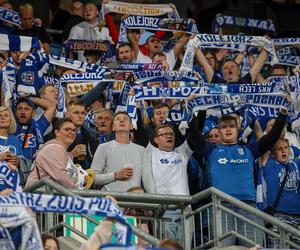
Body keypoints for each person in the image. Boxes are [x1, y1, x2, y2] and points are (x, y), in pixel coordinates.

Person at [188, 105, 288, 246]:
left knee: (254, 248)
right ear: (219, 131)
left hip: (249, 209)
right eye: (224, 127)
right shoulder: (211, 150)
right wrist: (189, 109)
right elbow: (193, 135)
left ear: (238, 130)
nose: (228, 129)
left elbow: (271, 138)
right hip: (221, 209)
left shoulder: (249, 150)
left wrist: (282, 115)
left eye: (231, 126)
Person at [260, 138, 300, 247]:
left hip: (298, 217)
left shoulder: (297, 164)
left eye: (286, 148)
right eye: (279, 149)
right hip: (278, 216)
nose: (283, 151)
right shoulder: (270, 164)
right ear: (272, 153)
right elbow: (262, 140)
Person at [91, 111, 144, 192]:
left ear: (131, 126)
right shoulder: (103, 148)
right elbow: (93, 177)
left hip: (134, 201)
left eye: (125, 119)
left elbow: (146, 179)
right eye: (118, 119)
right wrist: (115, 175)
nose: (121, 121)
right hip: (110, 199)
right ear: (113, 127)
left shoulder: (141, 150)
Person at [25, 118, 78, 189]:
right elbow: (61, 176)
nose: (72, 132)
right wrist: (79, 195)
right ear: (57, 132)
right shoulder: (53, 148)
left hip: (50, 195)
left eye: (74, 130)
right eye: (67, 129)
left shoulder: (62, 151)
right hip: (40, 196)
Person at [195, 45, 268, 83]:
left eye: (233, 66)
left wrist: (267, 46)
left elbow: (258, 65)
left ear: (239, 71)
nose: (229, 68)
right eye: (225, 68)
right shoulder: (217, 82)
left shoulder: (245, 81)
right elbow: (204, 63)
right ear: (222, 73)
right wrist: (194, 44)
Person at [14, 96, 56, 161]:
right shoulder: (11, 126)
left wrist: (29, 98)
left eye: (27, 109)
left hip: (33, 168)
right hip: (14, 167)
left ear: (33, 113)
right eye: (20, 109)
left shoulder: (38, 126)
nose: (23, 112)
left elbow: (51, 107)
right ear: (16, 112)